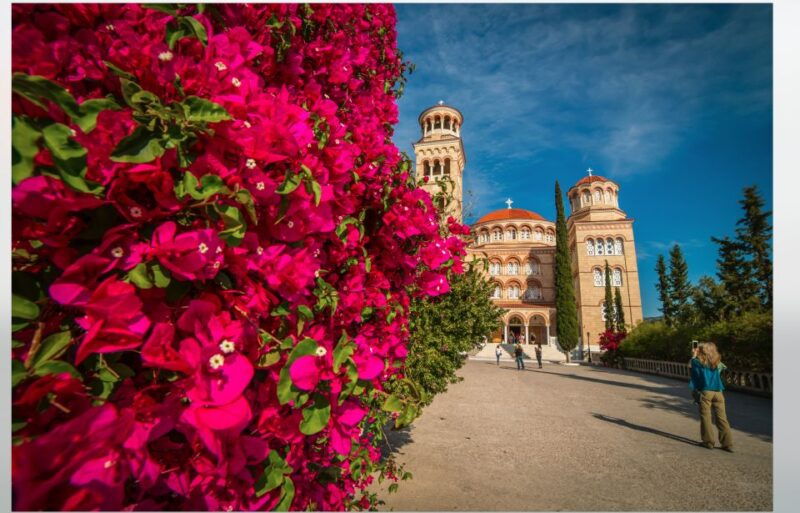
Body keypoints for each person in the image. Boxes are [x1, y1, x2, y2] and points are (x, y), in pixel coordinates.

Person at [689, 342, 733, 452]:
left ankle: (708, 442)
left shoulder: (697, 362)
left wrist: (694, 355)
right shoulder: (717, 362)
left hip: (706, 392)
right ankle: (727, 444)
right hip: (718, 392)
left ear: (702, 351)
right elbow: (723, 368)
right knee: (722, 418)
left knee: (706, 417)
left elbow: (691, 367)